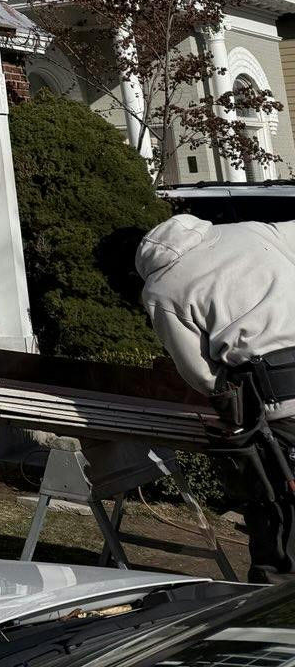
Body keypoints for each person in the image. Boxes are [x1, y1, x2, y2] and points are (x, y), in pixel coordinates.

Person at [131, 213, 295, 581]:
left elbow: (200, 372)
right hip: (281, 389)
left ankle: (276, 604)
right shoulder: (253, 231)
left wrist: (230, 397)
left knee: (278, 508)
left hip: (281, 403)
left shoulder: (161, 288)